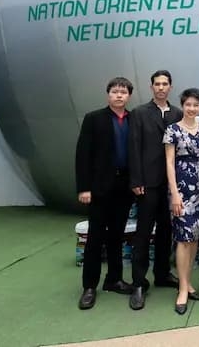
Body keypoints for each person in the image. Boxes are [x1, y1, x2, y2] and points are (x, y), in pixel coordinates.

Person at [75, 77, 136, 310]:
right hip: (99, 188)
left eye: (123, 92)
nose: (119, 95)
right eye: (115, 91)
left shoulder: (133, 119)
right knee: (95, 237)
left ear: (129, 96)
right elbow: (83, 154)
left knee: (117, 236)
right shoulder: (94, 118)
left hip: (124, 187)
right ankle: (89, 286)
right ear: (108, 94)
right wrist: (84, 188)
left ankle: (114, 279)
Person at [128, 70, 182, 311]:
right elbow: (133, 147)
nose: (161, 87)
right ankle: (139, 283)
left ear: (170, 87)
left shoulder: (177, 113)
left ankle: (162, 273)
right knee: (143, 232)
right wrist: (136, 179)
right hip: (147, 184)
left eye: (165, 84)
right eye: (157, 84)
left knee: (166, 230)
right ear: (151, 87)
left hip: (171, 184)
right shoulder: (139, 113)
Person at [164, 88, 199, 315]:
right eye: (188, 104)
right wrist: (174, 193)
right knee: (183, 239)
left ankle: (187, 281)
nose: (192, 108)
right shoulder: (172, 130)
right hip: (181, 191)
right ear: (182, 106)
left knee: (194, 239)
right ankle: (182, 289)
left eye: (196, 105)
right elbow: (169, 163)